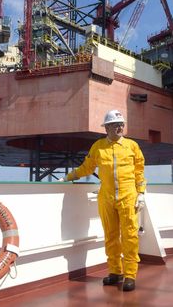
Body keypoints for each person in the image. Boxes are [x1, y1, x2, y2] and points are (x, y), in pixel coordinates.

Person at [60, 109, 146, 292]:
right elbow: (86, 167)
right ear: (106, 128)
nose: (120, 127)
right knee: (111, 236)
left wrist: (141, 193)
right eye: (116, 124)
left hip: (128, 197)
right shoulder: (98, 147)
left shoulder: (132, 146)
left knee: (130, 237)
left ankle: (130, 274)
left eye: (121, 124)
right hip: (106, 198)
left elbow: (139, 172)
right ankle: (115, 272)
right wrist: (68, 177)